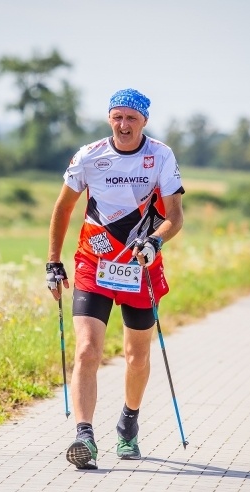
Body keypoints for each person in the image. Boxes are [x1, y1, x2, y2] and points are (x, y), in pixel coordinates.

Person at [46, 88, 185, 470]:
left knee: (136, 357)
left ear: (144, 121)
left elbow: (174, 216)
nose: (124, 125)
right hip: (94, 263)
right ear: (110, 118)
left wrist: (155, 241)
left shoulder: (160, 155)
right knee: (87, 350)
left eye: (131, 118)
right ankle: (84, 436)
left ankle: (128, 422)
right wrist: (53, 261)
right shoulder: (89, 156)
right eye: (117, 117)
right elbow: (63, 207)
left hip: (140, 264)